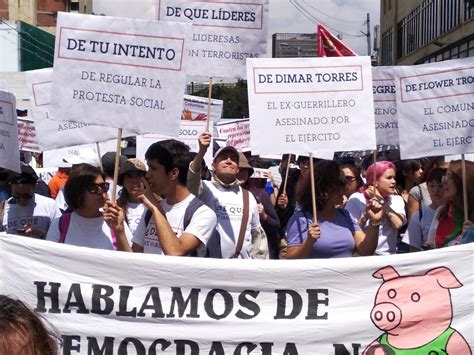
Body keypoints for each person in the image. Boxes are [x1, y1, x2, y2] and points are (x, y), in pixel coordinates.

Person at [188, 132, 269, 259]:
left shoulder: (248, 197)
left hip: (241, 270)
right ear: (213, 166)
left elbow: (257, 239)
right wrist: (201, 152)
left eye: (233, 159)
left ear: (237, 169)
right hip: (208, 268)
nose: (229, 160)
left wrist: (260, 271)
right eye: (224, 157)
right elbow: (192, 177)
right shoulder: (203, 188)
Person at [131, 140, 217, 256]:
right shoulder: (150, 212)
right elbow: (134, 256)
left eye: (153, 168)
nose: (147, 175)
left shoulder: (202, 214)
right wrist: (119, 229)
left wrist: (156, 208)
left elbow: (175, 252)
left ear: (173, 173)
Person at [286, 160, 383, 259]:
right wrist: (309, 242)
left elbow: (366, 251)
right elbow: (290, 259)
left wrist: (375, 222)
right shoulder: (301, 219)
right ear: (324, 190)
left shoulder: (345, 215)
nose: (345, 189)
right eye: (340, 185)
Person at [46, 164, 132, 251]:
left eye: (103, 186)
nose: (101, 191)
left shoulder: (115, 222)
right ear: (77, 192)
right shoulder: (60, 225)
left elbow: (130, 262)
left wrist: (119, 232)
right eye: (93, 188)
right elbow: (48, 258)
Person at [345, 161, 406, 255]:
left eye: (394, 178)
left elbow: (397, 224)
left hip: (389, 256)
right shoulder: (356, 199)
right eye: (389, 178)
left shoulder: (397, 200)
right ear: (375, 181)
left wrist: (381, 200)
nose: (394, 181)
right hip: (364, 256)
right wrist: (365, 216)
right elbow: (350, 231)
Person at [237, 155, 280, 259]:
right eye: (240, 170)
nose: (241, 174)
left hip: (258, 251)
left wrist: (263, 215)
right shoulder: (231, 192)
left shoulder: (261, 194)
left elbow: (276, 224)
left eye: (245, 171)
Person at [2, 164, 61, 239]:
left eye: (27, 196)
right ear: (10, 186)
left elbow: (60, 238)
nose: (22, 200)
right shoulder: (3, 210)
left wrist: (40, 233)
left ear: (35, 186)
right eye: (16, 195)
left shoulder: (49, 206)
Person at [426, 160, 474, 248]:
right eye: (445, 176)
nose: (443, 181)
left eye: (450, 177)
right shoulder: (442, 212)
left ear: (464, 181)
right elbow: (430, 247)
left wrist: (470, 237)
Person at [402, 167, 446, 251]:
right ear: (427, 187)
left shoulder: (455, 212)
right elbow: (413, 247)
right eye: (432, 185)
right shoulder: (419, 215)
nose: (435, 190)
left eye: (440, 186)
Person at [117, 159, 147, 234]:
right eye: (129, 176)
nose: (134, 180)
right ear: (123, 182)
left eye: (138, 175)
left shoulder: (156, 205)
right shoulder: (116, 207)